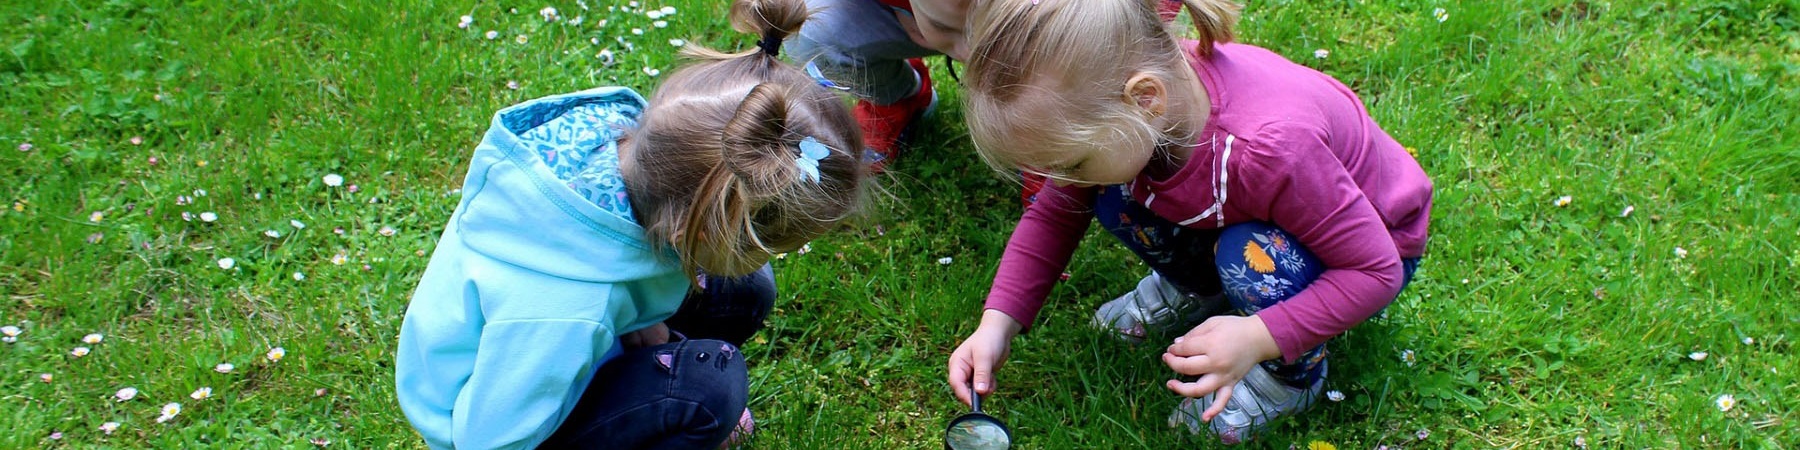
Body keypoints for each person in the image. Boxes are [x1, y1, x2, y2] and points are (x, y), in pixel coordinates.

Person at [945, 0, 1433, 444]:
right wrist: (998, 324)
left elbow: (1375, 271)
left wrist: (1257, 336)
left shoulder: (1272, 150)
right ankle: (1204, 289)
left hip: (1366, 248)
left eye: (1069, 163)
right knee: (1110, 193)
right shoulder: (1126, 97)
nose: (1057, 181)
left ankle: (1290, 380)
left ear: (1144, 100)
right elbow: (1055, 212)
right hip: (1256, 208)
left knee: (1248, 251)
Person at [393, 0, 867, 446]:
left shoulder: (633, 153)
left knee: (746, 288)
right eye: (768, 245)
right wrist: (614, 330)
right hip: (500, 422)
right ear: (695, 233)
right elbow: (484, 440)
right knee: (708, 391)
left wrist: (634, 318)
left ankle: (641, 362)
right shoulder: (559, 313)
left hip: (561, 336)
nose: (769, 256)